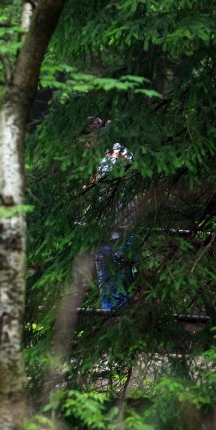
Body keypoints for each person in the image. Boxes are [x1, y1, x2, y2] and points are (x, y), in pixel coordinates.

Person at [86, 117, 137, 311]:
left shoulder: (116, 157)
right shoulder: (112, 157)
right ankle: (115, 328)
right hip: (109, 234)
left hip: (118, 234)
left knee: (115, 286)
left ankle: (117, 329)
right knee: (115, 286)